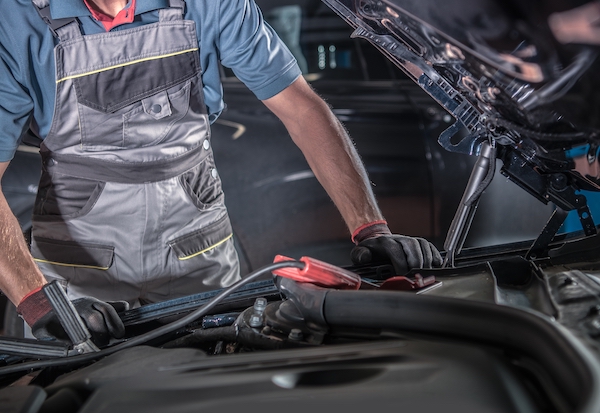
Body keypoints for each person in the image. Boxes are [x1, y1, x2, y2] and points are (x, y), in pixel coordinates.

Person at [0, 0, 441, 344]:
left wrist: (370, 228)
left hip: (198, 252)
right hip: (76, 269)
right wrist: (38, 301)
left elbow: (302, 109)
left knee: (219, 374)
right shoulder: (16, 19)